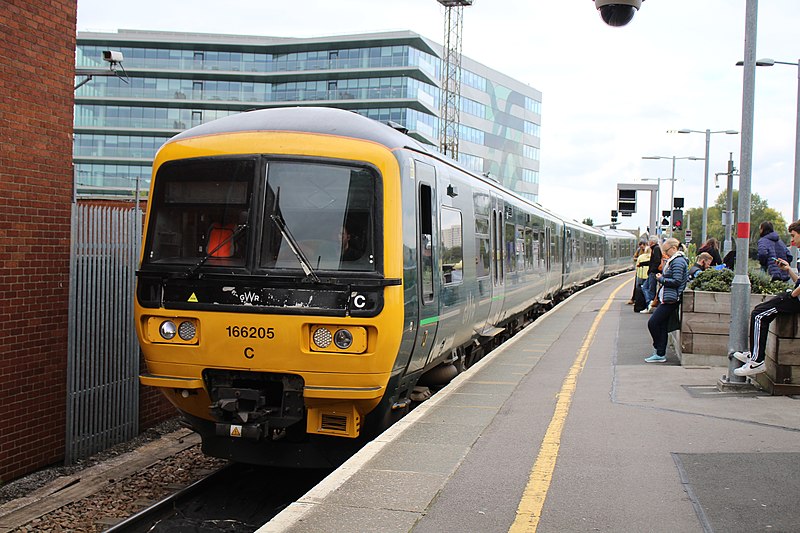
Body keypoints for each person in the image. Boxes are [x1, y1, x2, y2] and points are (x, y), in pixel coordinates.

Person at [733, 219, 800, 376]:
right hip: (795, 296)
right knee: (759, 310)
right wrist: (789, 269)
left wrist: (792, 294)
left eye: (794, 235)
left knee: (759, 316)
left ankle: (757, 361)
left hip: (796, 299)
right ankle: (755, 354)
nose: (791, 240)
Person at [645, 237, 689, 363]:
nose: (664, 254)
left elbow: (677, 281)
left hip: (671, 298)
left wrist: (661, 279)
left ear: (674, 248)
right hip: (668, 297)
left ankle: (658, 349)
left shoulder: (678, 262)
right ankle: (660, 353)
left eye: (666, 251)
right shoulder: (675, 261)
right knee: (662, 325)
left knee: (653, 323)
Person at [640, 235, 662, 314]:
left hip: (653, 273)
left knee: (649, 289)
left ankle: (650, 304)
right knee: (645, 287)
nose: (648, 243)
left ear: (652, 242)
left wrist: (652, 270)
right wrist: (643, 264)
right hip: (652, 273)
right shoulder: (655, 249)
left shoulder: (656, 249)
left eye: (649, 241)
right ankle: (649, 304)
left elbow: (656, 261)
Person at [627, 240, 648, 305]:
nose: (642, 247)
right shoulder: (639, 250)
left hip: (646, 272)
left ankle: (642, 300)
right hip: (639, 271)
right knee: (637, 286)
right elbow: (634, 257)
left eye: (643, 245)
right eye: (640, 245)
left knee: (644, 286)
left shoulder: (648, 250)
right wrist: (638, 258)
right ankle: (635, 299)